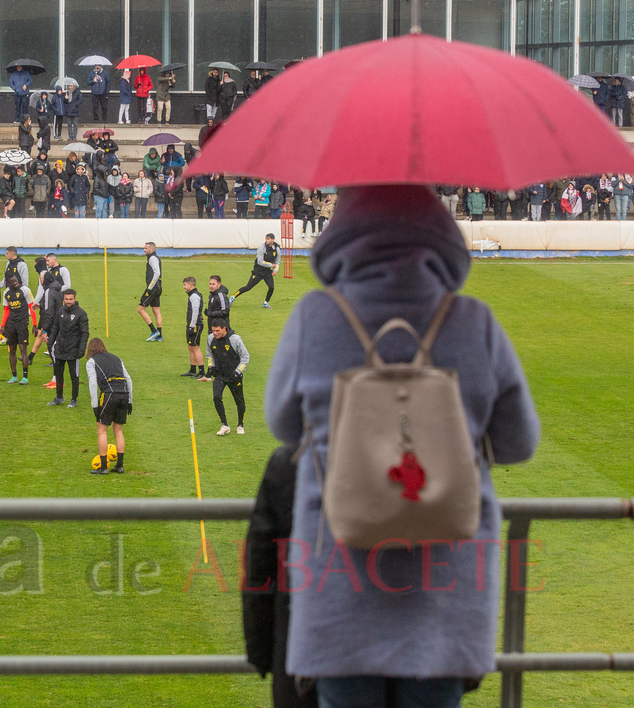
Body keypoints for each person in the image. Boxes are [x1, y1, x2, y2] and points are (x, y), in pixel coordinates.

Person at [264, 184, 538, 708]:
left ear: (342, 232)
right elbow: (518, 441)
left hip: (339, 574)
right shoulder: (473, 320)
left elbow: (284, 426)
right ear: (440, 235)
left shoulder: (315, 317)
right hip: (446, 580)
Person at [242, 443, 318, 708]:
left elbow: (260, 566)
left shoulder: (293, 462)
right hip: (422, 659)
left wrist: (262, 653)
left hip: (308, 657)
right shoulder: (433, 458)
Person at [85, 338, 132, 475]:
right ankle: (120, 466)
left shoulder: (91, 362)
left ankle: (104, 467)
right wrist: (129, 401)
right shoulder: (117, 358)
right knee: (118, 430)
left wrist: (95, 406)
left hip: (109, 394)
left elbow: (93, 383)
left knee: (102, 429)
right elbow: (128, 379)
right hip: (123, 394)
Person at [0, 275, 35, 384]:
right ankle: (14, 376)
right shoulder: (6, 293)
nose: (15, 283)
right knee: (12, 349)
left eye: (16, 280)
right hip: (11, 324)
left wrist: (34, 324)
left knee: (23, 349)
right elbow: (6, 310)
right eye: (12, 281)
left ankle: (25, 377)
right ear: (8, 282)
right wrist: (3, 325)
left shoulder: (25, 290)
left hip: (23, 324)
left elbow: (31, 307)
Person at [46, 289, 88, 408]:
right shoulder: (60, 311)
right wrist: (50, 343)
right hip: (60, 348)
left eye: (70, 299)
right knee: (58, 374)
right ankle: (59, 397)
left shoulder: (81, 313)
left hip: (73, 350)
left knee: (74, 376)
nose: (68, 301)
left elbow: (85, 333)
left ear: (74, 299)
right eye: (66, 299)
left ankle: (74, 399)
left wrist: (81, 349)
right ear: (63, 299)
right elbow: (55, 328)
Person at [208, 318, 249, 435]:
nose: (214, 333)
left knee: (239, 401)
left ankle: (240, 425)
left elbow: (245, 357)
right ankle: (225, 425)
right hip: (220, 375)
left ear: (224, 329)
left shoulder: (235, 339)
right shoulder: (210, 339)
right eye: (213, 330)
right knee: (216, 397)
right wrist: (211, 366)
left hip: (234, 375)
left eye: (217, 331)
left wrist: (238, 371)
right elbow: (209, 353)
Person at [234, 233, 280, 309]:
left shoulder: (277, 248)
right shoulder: (261, 248)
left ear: (273, 239)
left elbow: (277, 261)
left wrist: (275, 270)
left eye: (268, 239)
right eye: (266, 239)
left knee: (271, 287)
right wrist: (270, 265)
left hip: (267, 272)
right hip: (258, 271)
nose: (266, 240)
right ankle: (233, 297)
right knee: (248, 287)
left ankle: (265, 303)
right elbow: (260, 262)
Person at [137, 241, 164, 341]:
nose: (144, 250)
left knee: (140, 309)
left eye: (146, 248)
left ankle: (154, 331)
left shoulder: (152, 258)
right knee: (156, 310)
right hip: (158, 287)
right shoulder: (153, 258)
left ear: (152, 249)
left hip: (153, 288)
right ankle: (159, 335)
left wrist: (150, 287)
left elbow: (157, 273)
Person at [181, 276, 205, 378]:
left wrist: (191, 326)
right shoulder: (193, 295)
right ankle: (192, 370)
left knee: (195, 347)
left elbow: (195, 311)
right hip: (192, 324)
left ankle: (201, 372)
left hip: (195, 325)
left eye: (185, 285)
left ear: (191, 285)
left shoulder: (194, 296)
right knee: (190, 347)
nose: (183, 287)